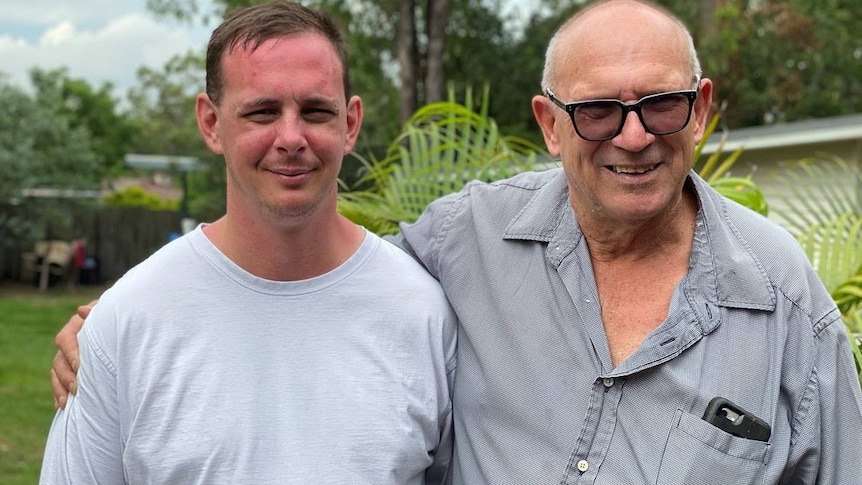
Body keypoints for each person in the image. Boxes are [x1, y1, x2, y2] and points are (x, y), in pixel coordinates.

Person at [51, 0, 862, 483]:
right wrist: (119, 324)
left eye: (661, 103)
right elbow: (310, 279)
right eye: (598, 111)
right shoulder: (461, 244)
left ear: (702, 106)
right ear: (549, 123)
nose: (634, 135)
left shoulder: (788, 309)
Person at [39, 2, 456, 484]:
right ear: (212, 123)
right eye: (261, 112)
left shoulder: (424, 314)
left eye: (317, 111)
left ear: (351, 123)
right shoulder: (126, 323)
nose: (291, 137)